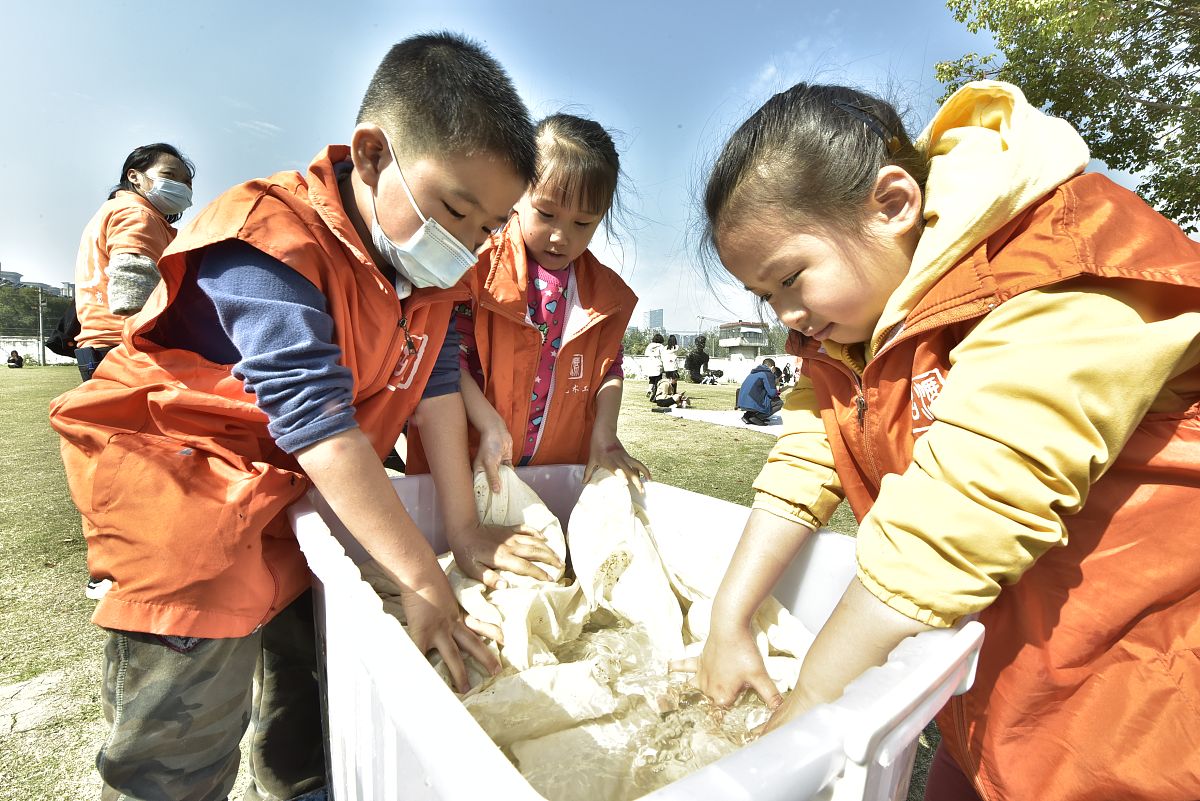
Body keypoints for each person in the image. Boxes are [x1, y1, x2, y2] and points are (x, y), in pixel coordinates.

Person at [675, 80, 1200, 801]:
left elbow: (947, 530)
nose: (788, 318)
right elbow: (807, 451)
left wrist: (795, 728)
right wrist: (728, 619)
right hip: (985, 707)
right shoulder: (854, 330)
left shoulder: (1062, 261)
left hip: (1136, 720)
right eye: (768, 298)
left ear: (893, 205)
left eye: (790, 279)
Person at [49, 33, 540, 801]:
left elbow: (437, 389)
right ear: (373, 156)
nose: (469, 245)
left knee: (306, 696)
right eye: (454, 211)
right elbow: (316, 418)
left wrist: (465, 530)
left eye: (489, 228)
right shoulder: (267, 237)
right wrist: (421, 574)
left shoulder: (426, 278)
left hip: (297, 506)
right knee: (183, 736)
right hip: (187, 509)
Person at [408, 113, 649, 536]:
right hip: (468, 466)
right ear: (517, 194)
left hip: (553, 473)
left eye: (582, 223)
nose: (561, 237)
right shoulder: (475, 268)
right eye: (547, 214)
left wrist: (605, 434)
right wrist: (488, 422)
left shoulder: (605, 298)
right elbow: (445, 358)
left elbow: (608, 369)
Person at [72, 143, 195, 381]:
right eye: (169, 175)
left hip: (103, 347)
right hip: (128, 349)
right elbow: (132, 293)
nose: (180, 186)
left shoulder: (113, 209)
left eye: (187, 182)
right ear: (134, 176)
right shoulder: (137, 213)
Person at [735, 357, 782, 425]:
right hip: (752, 402)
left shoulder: (754, 372)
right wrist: (775, 383)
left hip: (742, 402)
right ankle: (757, 417)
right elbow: (772, 393)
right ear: (772, 367)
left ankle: (747, 416)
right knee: (779, 403)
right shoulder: (767, 374)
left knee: (762, 398)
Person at [643, 332, 665, 398]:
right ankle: (656, 393)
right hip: (658, 364)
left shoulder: (649, 346)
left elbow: (646, 354)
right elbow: (663, 356)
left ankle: (649, 389)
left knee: (651, 379)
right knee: (658, 380)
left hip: (650, 364)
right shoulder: (661, 346)